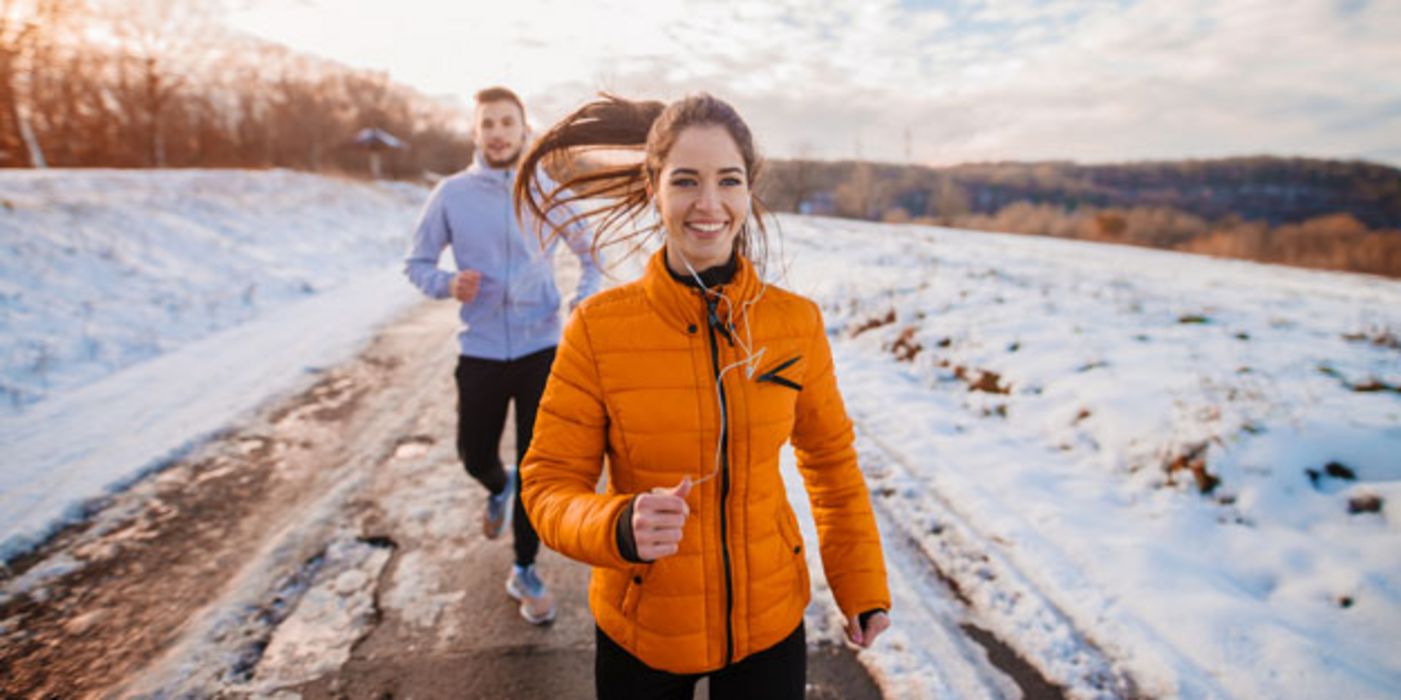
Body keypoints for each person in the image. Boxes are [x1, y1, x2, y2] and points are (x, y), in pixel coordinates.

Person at [514, 93, 890, 699]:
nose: (708, 204)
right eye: (685, 180)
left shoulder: (795, 324)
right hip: (644, 629)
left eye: (728, 181)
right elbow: (548, 484)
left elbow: (832, 464)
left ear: (749, 191)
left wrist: (861, 583)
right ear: (652, 187)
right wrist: (617, 525)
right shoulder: (598, 329)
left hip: (770, 623)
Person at [403, 86, 601, 625]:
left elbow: (592, 256)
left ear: (522, 129)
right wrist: (448, 283)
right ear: (476, 132)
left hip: (542, 348)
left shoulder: (546, 190)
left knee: (538, 468)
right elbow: (417, 263)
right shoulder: (450, 195)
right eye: (487, 123)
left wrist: (582, 300)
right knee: (474, 454)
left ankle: (524, 567)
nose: (497, 133)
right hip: (483, 349)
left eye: (506, 122)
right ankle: (497, 485)